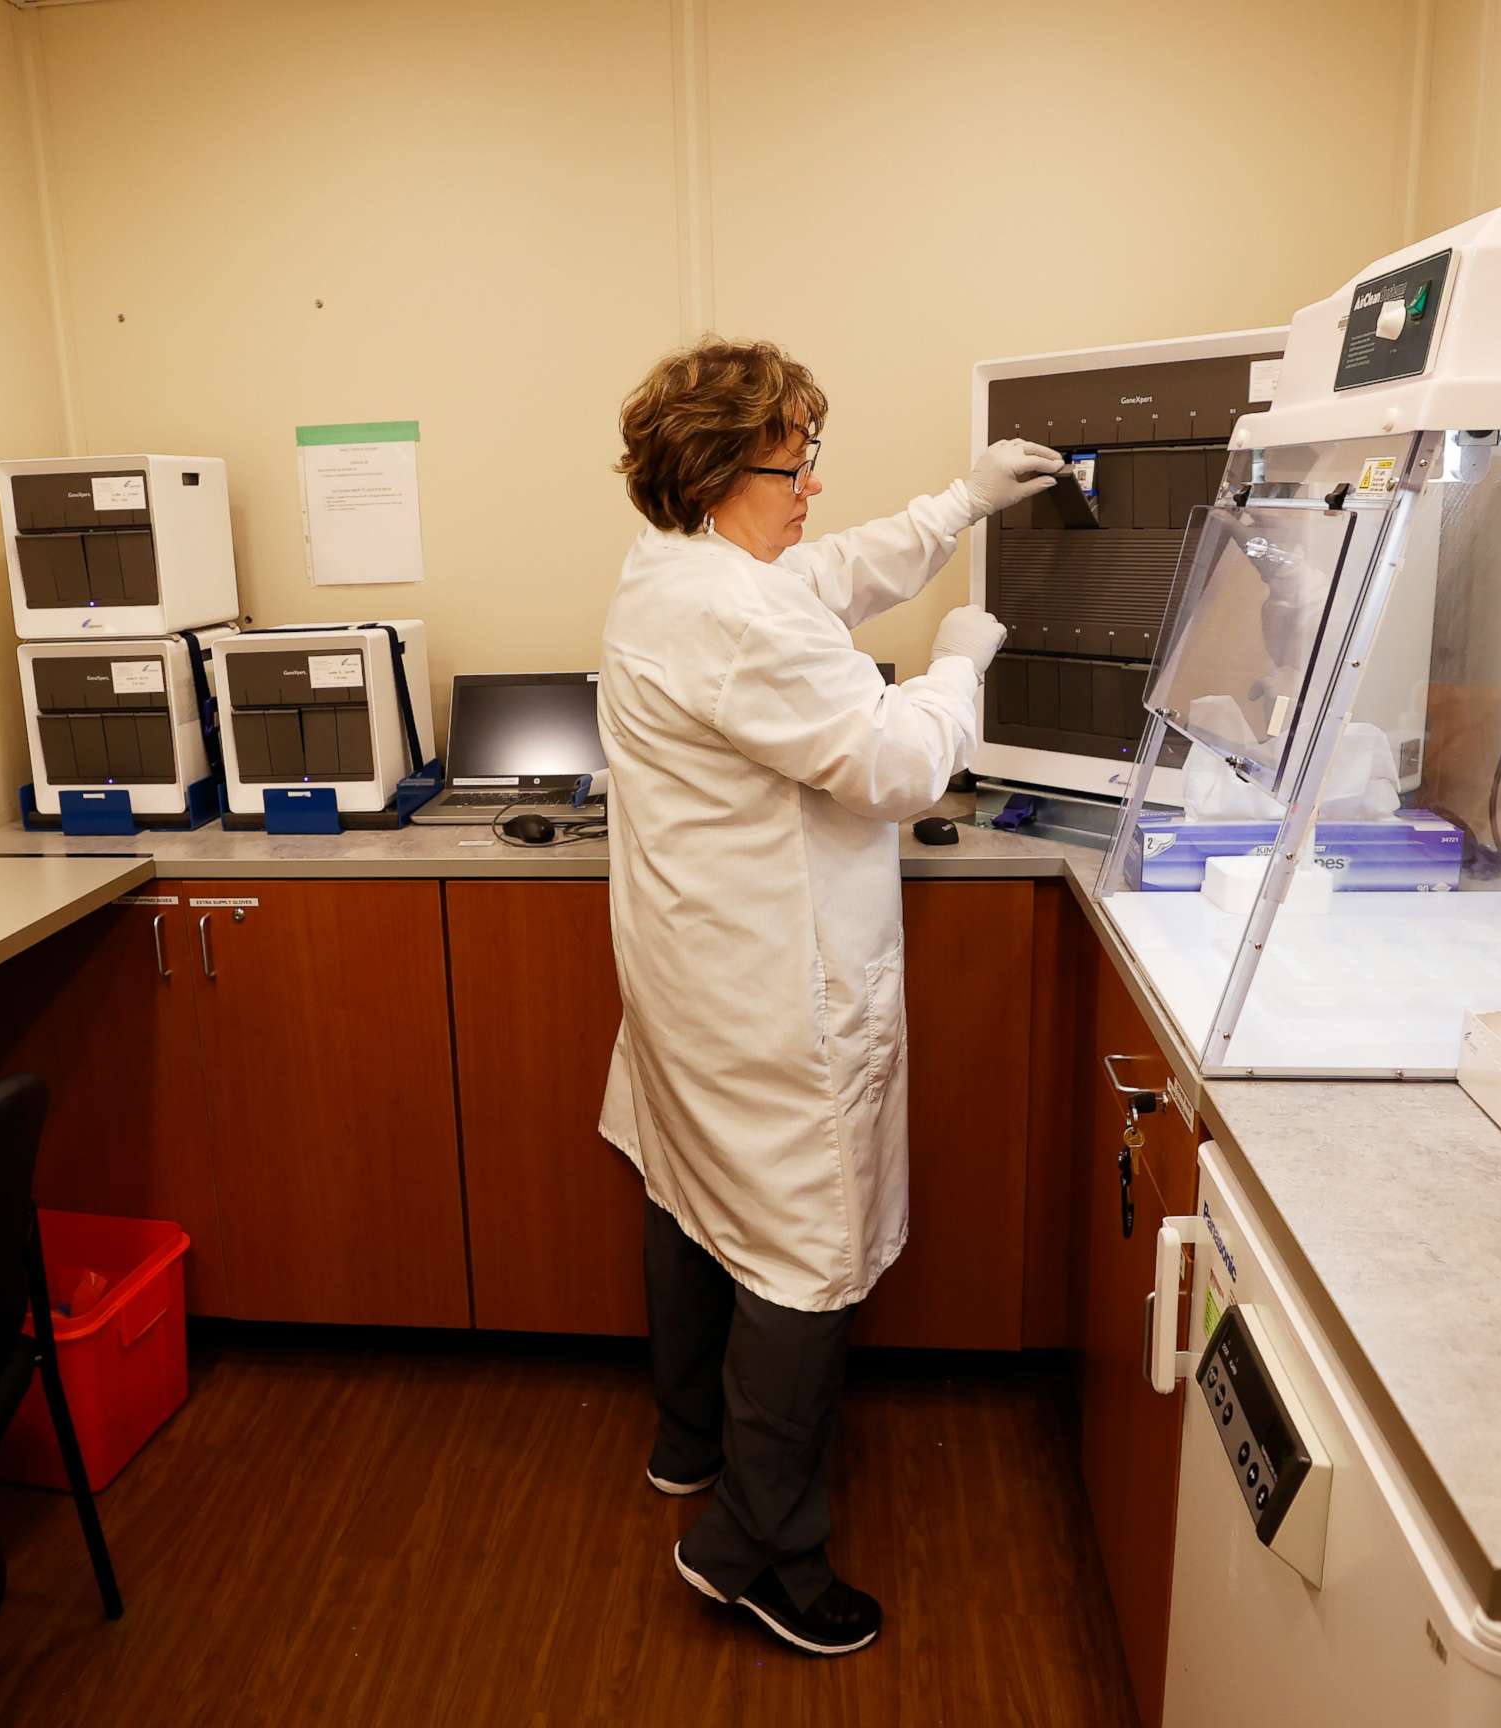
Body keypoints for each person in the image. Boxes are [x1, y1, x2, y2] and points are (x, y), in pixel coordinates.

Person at [596, 336, 1061, 1658]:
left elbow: (828, 574)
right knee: (804, 1258)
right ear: (724, 465)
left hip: (698, 985)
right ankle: (754, 1551)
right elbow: (896, 764)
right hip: (770, 1000)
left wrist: (960, 504)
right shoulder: (732, 618)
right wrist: (961, 662)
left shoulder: (681, 574)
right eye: (796, 457)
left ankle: (690, 1446)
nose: (810, 482)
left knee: (692, 1199)